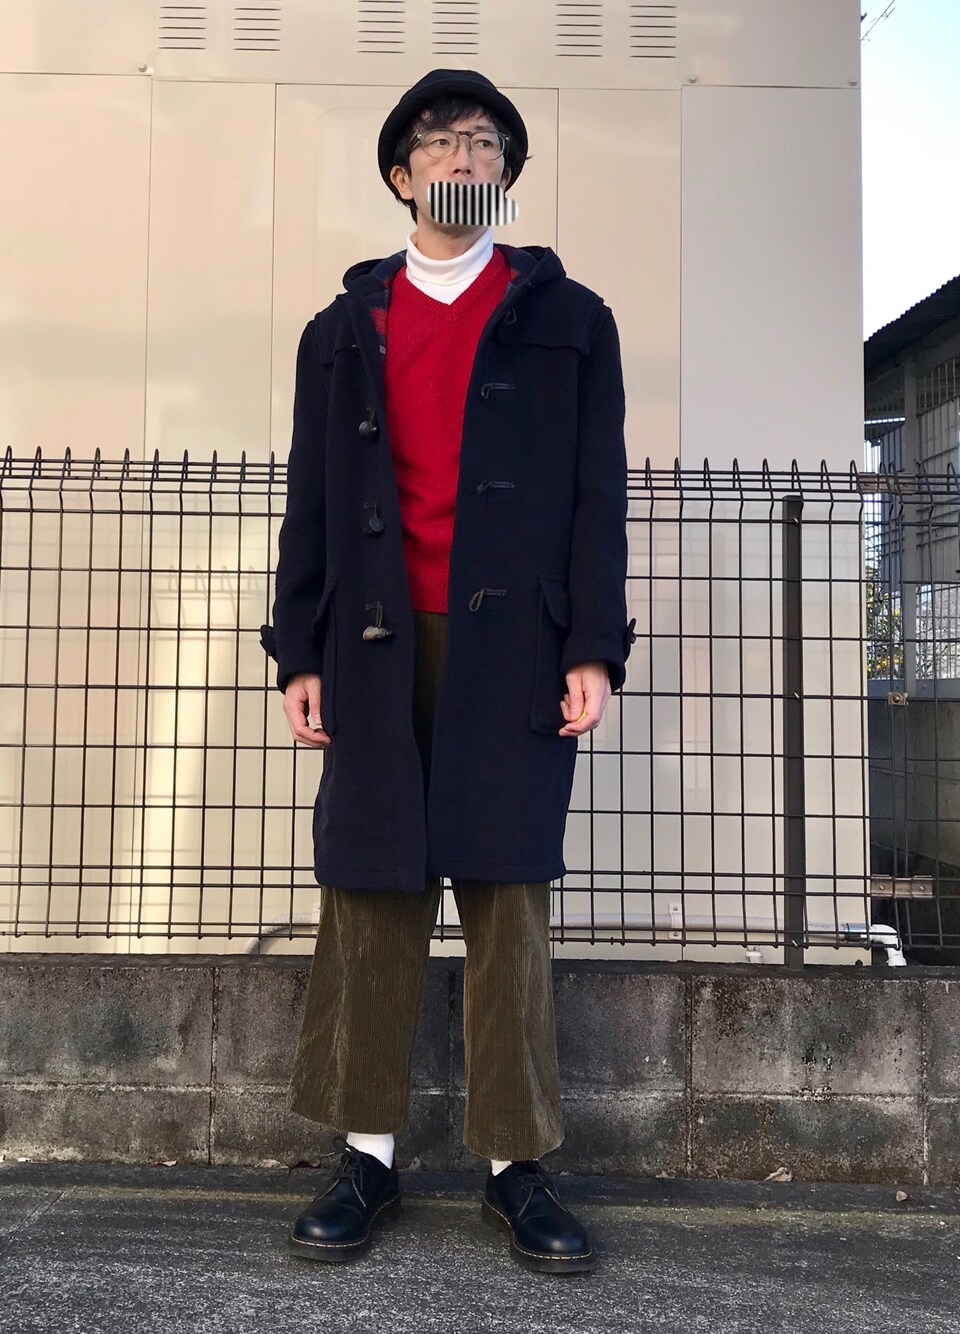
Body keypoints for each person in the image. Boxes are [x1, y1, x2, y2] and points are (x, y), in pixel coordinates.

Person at [262, 68, 634, 1274]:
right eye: (437, 143)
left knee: (508, 892)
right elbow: (313, 500)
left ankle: (514, 1162)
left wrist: (592, 644)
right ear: (400, 174)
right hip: (370, 641)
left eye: (483, 142)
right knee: (369, 888)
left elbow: (597, 496)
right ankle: (365, 1152)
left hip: (514, 641)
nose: (462, 158)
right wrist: (298, 648)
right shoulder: (340, 330)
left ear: (506, 173)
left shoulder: (568, 318)